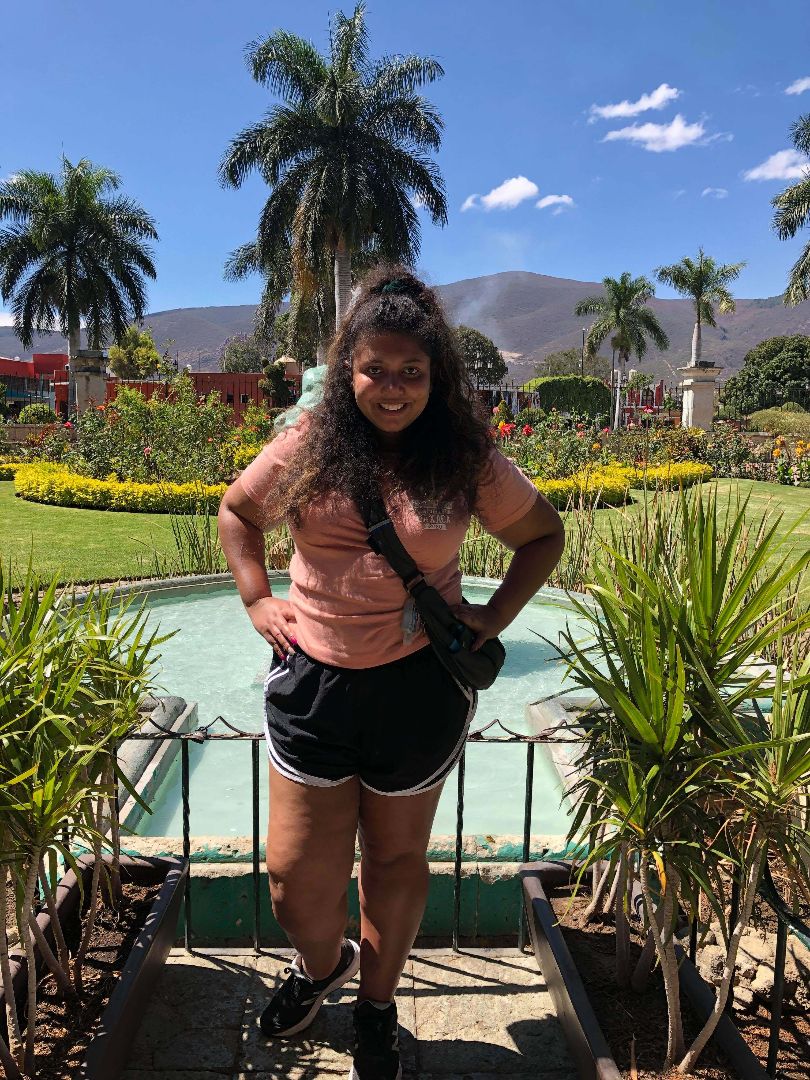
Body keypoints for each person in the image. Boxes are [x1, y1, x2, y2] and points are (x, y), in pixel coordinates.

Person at [217, 266, 565, 1080]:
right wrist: (257, 599)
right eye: (376, 368)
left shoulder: (464, 455)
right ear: (348, 370)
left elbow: (542, 537)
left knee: (397, 861)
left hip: (416, 686)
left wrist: (492, 616)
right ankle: (320, 966)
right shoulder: (310, 441)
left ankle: (377, 1003)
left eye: (413, 372)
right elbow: (239, 510)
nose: (394, 387)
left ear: (435, 375)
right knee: (294, 878)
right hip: (314, 681)